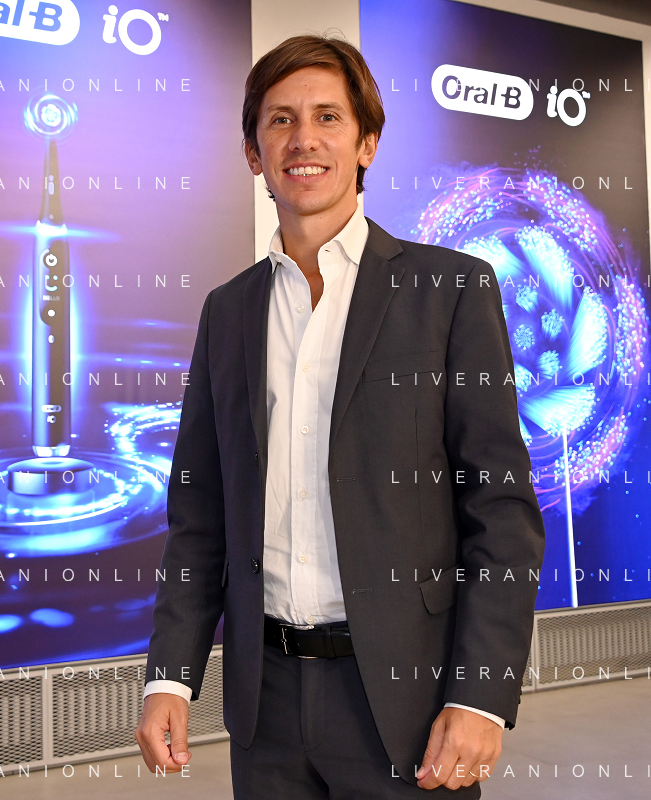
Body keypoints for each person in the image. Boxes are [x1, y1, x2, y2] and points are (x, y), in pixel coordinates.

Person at [135, 34, 545, 797]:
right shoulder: (227, 313)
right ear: (254, 154)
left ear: (366, 144)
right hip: (264, 705)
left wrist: (480, 694)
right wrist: (170, 675)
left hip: (407, 700)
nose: (304, 139)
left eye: (327, 116)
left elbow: (500, 512)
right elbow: (199, 515)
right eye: (280, 120)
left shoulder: (450, 290)